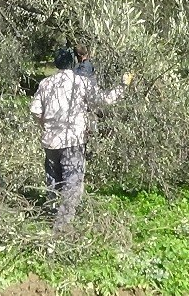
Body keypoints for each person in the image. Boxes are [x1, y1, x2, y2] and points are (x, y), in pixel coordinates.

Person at [29, 48, 130, 231]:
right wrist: (123, 86)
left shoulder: (45, 84)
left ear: (56, 63)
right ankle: (62, 226)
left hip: (50, 142)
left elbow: (35, 110)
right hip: (73, 141)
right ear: (73, 63)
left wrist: (45, 126)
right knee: (72, 183)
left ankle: (50, 217)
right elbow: (104, 100)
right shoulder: (81, 82)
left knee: (53, 181)